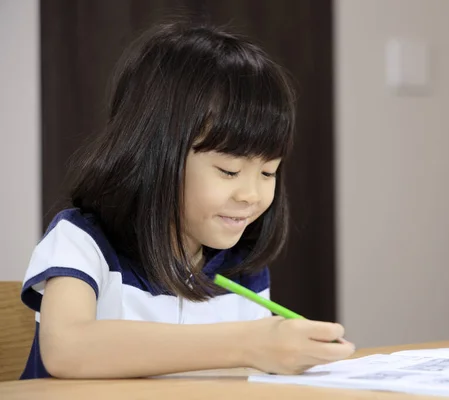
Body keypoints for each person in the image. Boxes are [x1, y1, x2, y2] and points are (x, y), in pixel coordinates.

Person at [20, 21, 355, 380]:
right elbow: (67, 348)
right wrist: (249, 344)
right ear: (154, 154)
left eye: (268, 173)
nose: (251, 195)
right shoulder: (82, 242)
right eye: (228, 171)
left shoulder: (243, 267)